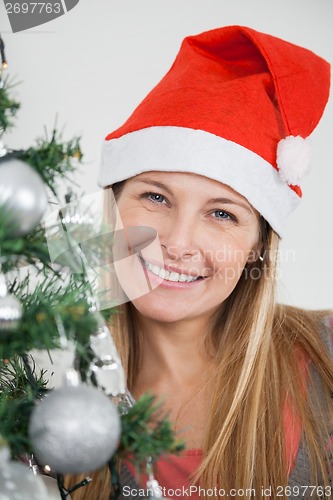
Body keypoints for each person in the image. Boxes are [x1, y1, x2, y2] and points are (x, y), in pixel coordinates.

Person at [69, 25, 333, 499]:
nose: (177, 243)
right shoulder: (42, 377)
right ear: (111, 208)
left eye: (221, 213)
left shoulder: (327, 359)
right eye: (155, 196)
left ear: (257, 245)